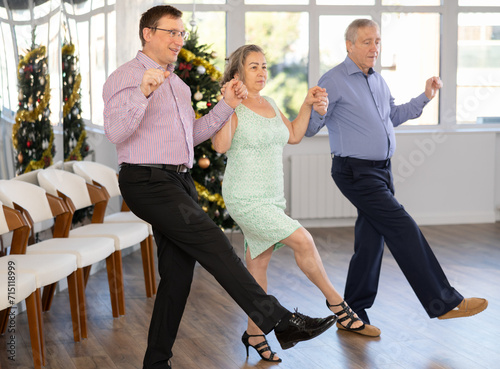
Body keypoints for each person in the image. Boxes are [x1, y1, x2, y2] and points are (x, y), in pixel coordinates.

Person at [103, 5, 336, 369]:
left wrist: (226, 105)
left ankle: (156, 362)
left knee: (177, 277)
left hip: (178, 180)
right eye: (171, 32)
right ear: (148, 33)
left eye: (182, 33)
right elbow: (115, 133)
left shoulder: (178, 86)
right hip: (146, 180)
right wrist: (142, 93)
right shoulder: (126, 77)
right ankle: (280, 321)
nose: (179, 40)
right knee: (215, 243)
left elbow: (192, 137)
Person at [305, 18, 488, 335]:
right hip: (355, 171)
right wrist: (316, 109)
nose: (374, 48)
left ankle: (352, 310)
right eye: (366, 41)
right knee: (403, 227)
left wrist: (426, 96)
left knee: (371, 240)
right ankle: (442, 302)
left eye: (377, 41)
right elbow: (309, 129)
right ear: (349, 45)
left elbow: (393, 116)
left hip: (382, 171)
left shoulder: (376, 80)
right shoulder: (333, 80)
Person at [212, 44, 381, 363]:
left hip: (272, 197)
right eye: (253, 67)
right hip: (246, 197)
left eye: (264, 66)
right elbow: (220, 145)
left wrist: (306, 104)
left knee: (257, 266)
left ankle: (254, 333)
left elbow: (292, 135)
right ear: (237, 73)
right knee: (304, 239)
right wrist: (227, 103)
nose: (262, 72)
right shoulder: (235, 106)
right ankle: (339, 307)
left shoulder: (271, 104)